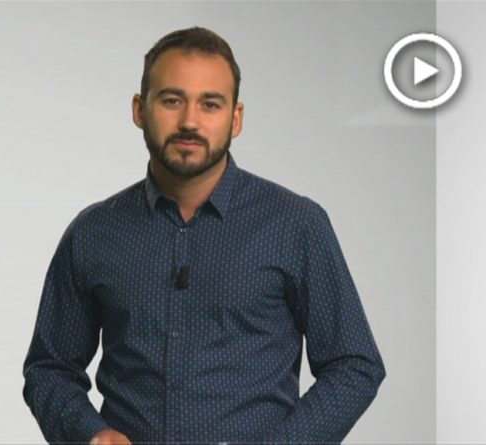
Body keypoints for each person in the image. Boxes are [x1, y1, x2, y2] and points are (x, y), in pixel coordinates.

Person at [22, 26, 386, 444]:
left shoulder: (295, 225)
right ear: (140, 109)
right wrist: (91, 435)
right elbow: (49, 369)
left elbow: (355, 365)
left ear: (236, 118)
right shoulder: (93, 232)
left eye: (210, 104)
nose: (190, 122)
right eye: (172, 100)